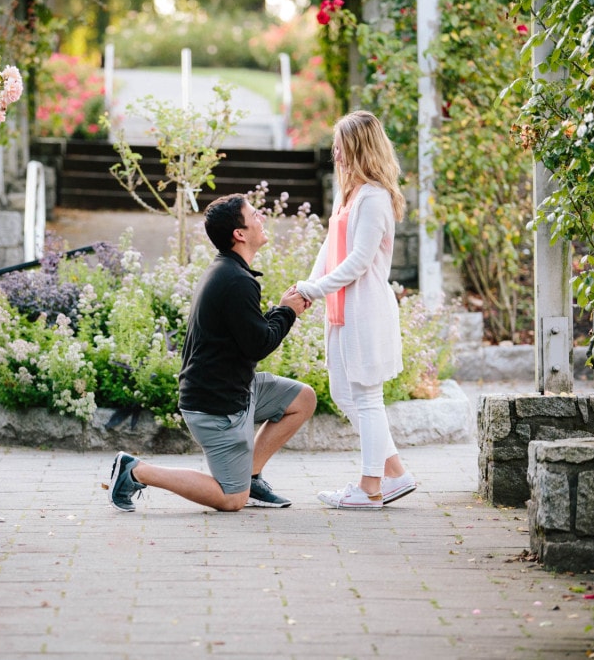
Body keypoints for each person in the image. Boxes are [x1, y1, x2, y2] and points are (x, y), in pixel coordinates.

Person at [108, 193, 317, 512]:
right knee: (231, 499)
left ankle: (250, 476)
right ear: (240, 233)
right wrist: (286, 312)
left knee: (303, 398)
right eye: (255, 215)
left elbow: (250, 335)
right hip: (216, 407)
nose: (262, 217)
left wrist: (281, 311)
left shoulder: (231, 272)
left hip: (237, 389)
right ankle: (136, 470)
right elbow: (258, 345)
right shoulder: (234, 280)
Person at [294, 110, 417, 510]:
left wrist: (315, 288)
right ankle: (396, 474)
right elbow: (330, 250)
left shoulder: (374, 198)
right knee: (344, 393)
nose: (335, 151)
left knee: (366, 397)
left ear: (359, 147)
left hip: (364, 311)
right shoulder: (350, 196)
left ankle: (370, 487)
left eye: (341, 144)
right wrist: (309, 286)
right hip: (341, 310)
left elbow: (359, 262)